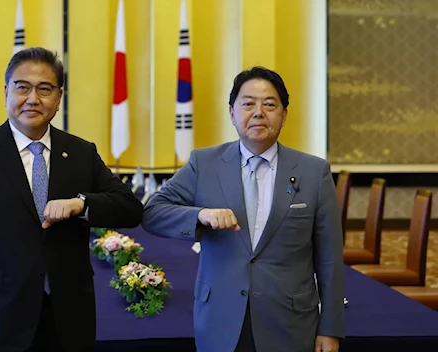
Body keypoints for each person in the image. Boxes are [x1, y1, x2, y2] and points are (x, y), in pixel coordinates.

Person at [0, 47, 143, 352]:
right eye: (22, 87)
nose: (33, 99)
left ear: (59, 98)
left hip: (69, 316)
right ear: (7, 91)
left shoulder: (81, 153)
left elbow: (131, 208)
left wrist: (82, 204)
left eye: (45, 89)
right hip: (0, 315)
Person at [142, 66, 344, 352]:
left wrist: (331, 328)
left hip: (290, 322)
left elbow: (329, 259)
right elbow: (152, 212)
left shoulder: (314, 172)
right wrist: (200, 215)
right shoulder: (204, 164)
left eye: (270, 104)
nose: (258, 112)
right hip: (220, 318)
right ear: (232, 112)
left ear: (284, 115)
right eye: (248, 103)